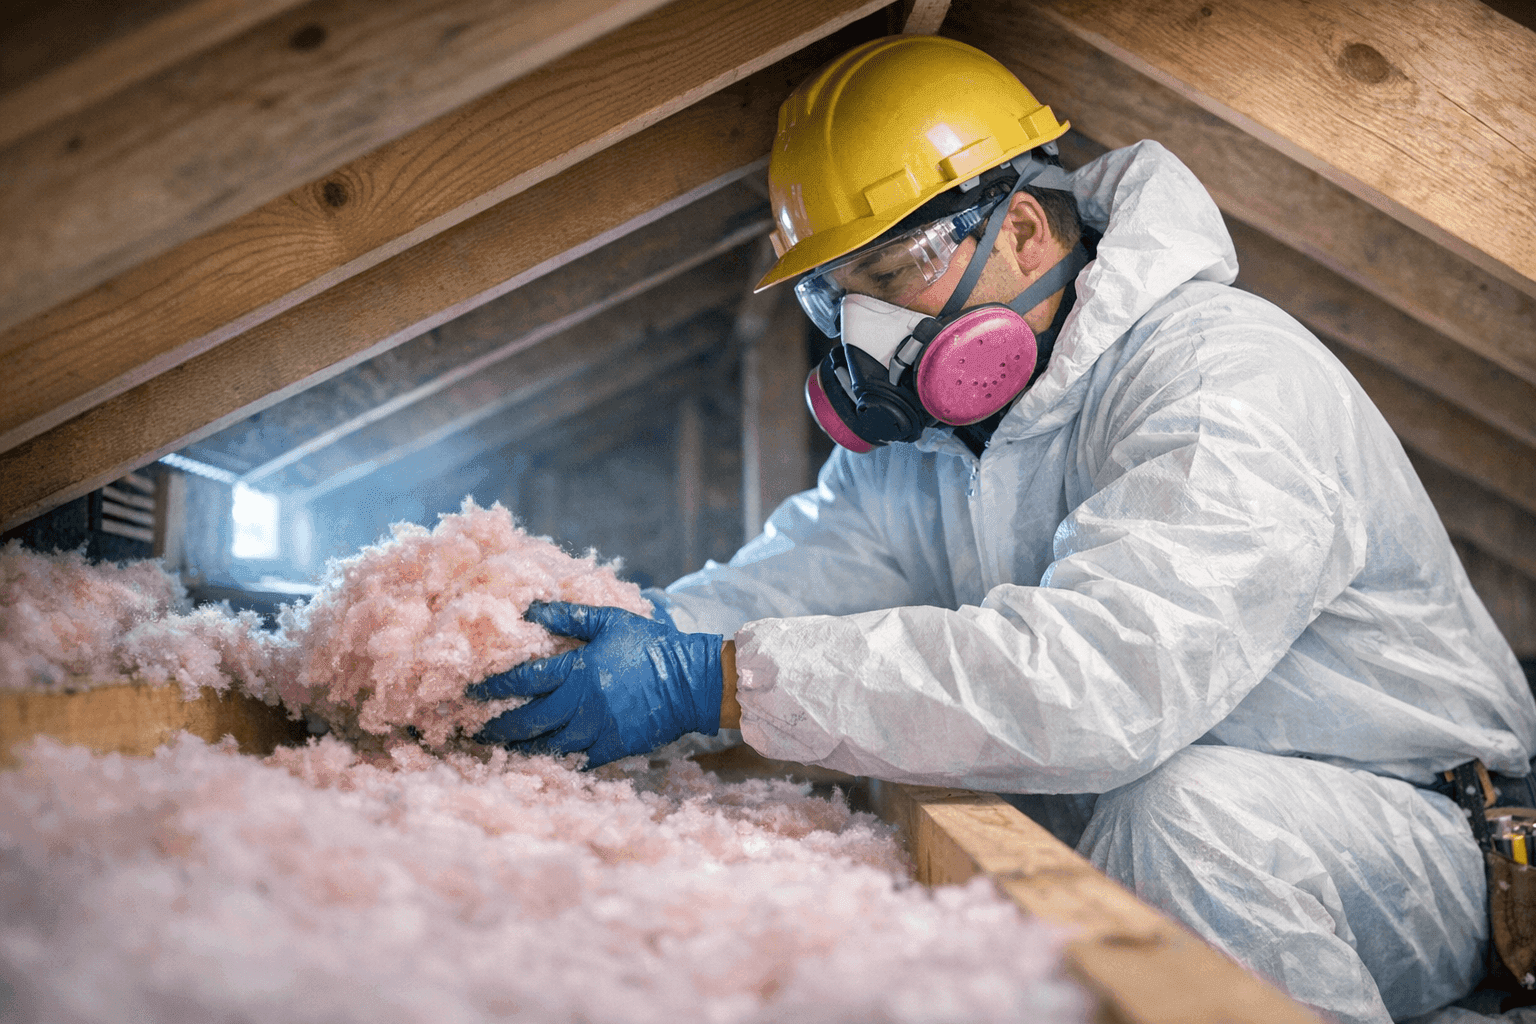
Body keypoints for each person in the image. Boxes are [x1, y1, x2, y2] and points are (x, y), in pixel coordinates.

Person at [470, 35, 1536, 1023]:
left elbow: (1105, 683)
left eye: (890, 280)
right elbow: (807, 578)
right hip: (1145, 798)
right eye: (839, 299)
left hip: (1425, 834)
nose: (868, 334)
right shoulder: (942, 434)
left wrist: (725, 682)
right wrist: (643, 634)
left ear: (1022, 229)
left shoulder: (1220, 381)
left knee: (1185, 818)